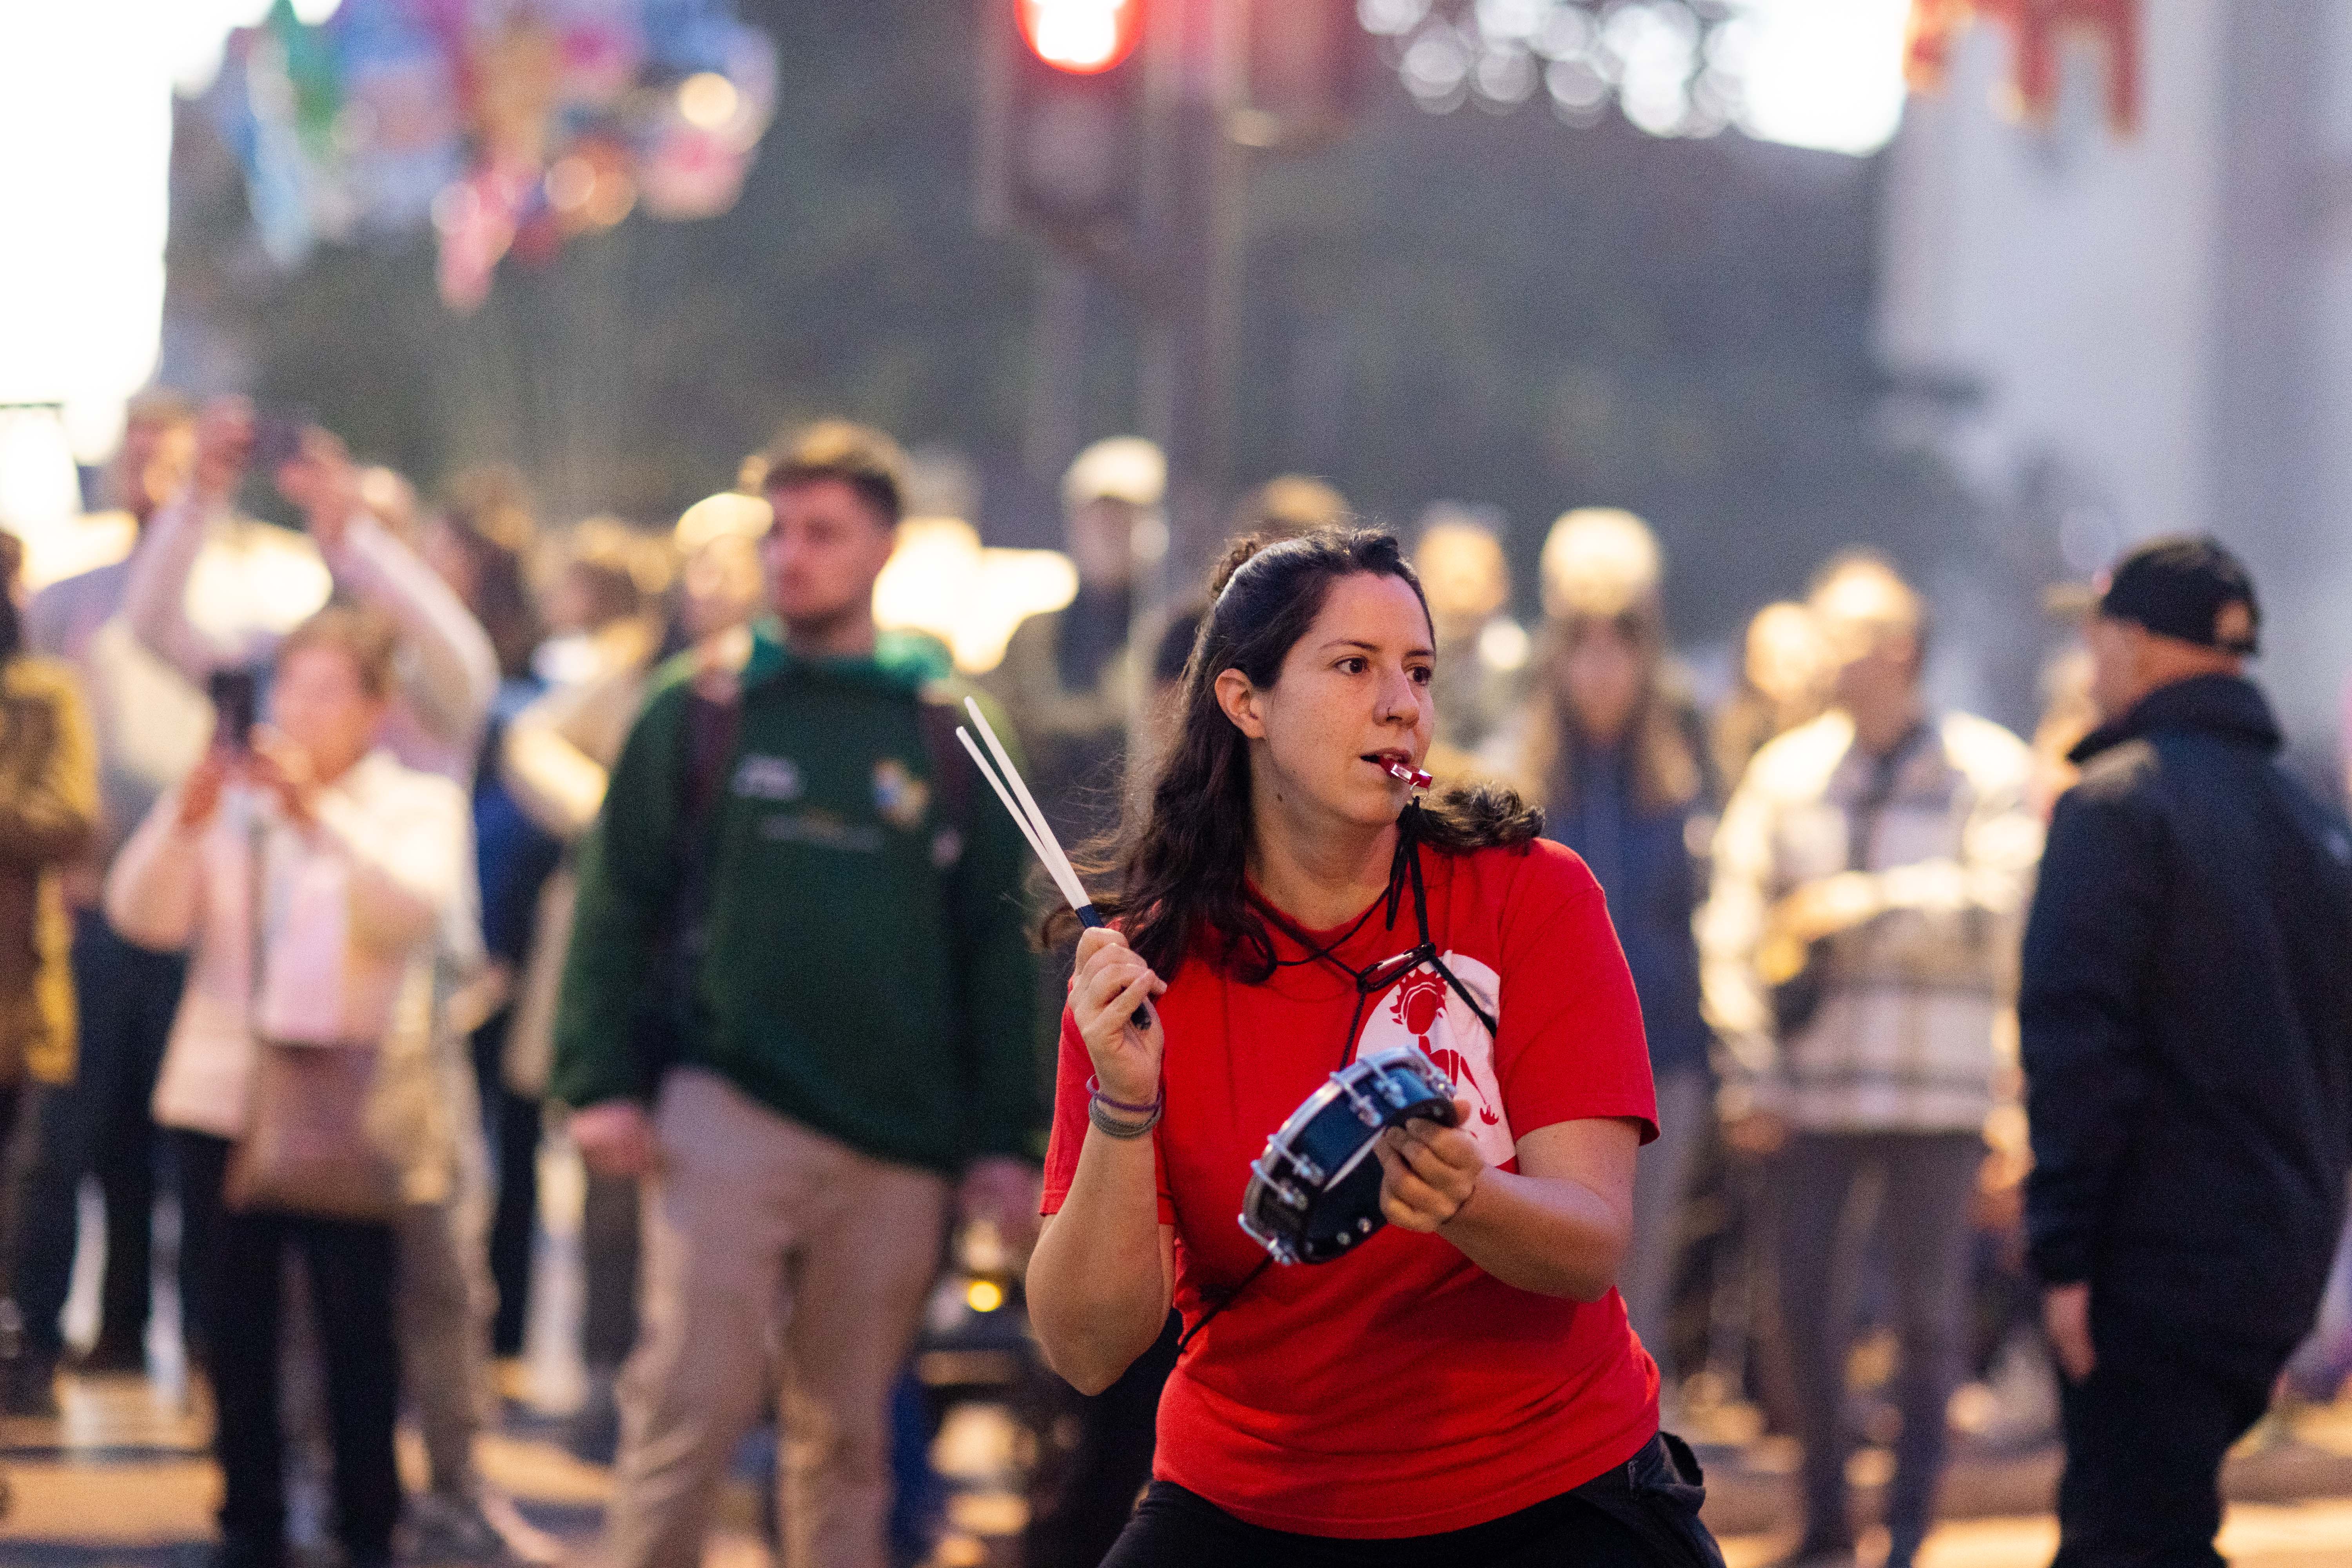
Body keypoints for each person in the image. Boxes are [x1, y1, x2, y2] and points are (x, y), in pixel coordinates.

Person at [1027, 528, 1720, 1566]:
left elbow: (1589, 1246)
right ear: (1244, 702)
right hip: (1257, 1493)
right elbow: (1086, 1348)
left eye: (1421, 672)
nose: (1403, 702)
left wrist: (1466, 1199)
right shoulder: (1145, 969)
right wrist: (1126, 1109)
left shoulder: (1530, 894)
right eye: (1354, 667)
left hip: (1546, 1479)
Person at [550, 421, 1040, 1568]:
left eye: (822, 532)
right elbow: (611, 902)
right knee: (688, 1408)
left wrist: (1003, 1139)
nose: (790, 555)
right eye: (780, 529)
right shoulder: (701, 706)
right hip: (727, 1106)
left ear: (883, 547)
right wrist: (600, 1080)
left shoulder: (948, 722)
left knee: (848, 1438)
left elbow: (997, 947)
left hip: (897, 1140)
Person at [106, 605, 475, 1568]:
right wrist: (185, 821)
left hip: (345, 1101)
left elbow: (410, 910)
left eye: (325, 689)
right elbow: (141, 917)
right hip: (220, 1090)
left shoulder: (414, 798)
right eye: (289, 687)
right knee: (233, 1317)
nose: (301, 710)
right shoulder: (233, 797)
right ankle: (250, 1514)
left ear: (376, 705)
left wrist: (321, 814)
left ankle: (366, 1519)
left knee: (359, 1320)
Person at [1697, 552, 2039, 1568]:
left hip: (1940, 1090)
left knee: (1933, 1323)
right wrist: (1748, 1068)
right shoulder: (1788, 773)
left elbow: (2006, 913)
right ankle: (1826, 1519)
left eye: (1842, 631)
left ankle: (1912, 1527)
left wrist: (1866, 909)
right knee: (1797, 1311)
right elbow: (1733, 928)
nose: (1823, 649)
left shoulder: (1988, 769)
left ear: (1900, 648)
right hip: (1811, 1092)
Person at [2019, 537, 2352, 1568]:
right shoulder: (2312, 817)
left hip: (2147, 1265)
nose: (2088, 655)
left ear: (2138, 643)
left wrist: (2067, 1257)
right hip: (2276, 1257)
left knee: (2127, 1540)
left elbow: (2077, 1046)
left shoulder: (2116, 805)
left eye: (2097, 631)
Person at [6, 389, 217, 1405]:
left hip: (195, 910)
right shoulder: (66, 596)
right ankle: (35, 1342)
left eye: (165, 455)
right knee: (67, 1138)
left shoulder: (222, 596)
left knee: (168, 1143)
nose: (147, 472)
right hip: (87, 904)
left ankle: (154, 1336)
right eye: (135, 453)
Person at [1485, 508, 1709, 1394]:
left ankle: (1634, 1470)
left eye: (1624, 641)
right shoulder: (1518, 767)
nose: (1603, 664)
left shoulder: (1685, 759)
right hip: (1549, 1068)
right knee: (1561, 1281)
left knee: (1644, 1278)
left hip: (1667, 1055)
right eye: (1584, 640)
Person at [0, 532, 99, 1409]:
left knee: (25, 1195)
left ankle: (24, 1360)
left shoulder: (43, 694)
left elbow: (69, 816)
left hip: (15, 992)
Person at [986, 436, 1162, 846]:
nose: (1107, 531)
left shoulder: (1167, 636)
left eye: (1123, 517)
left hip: (1137, 865)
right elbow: (1006, 735)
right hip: (1043, 862)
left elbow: (1141, 748)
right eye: (1096, 516)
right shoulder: (1032, 636)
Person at [1412, 506, 1529, 759]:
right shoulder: (1401, 662)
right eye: (1446, 575)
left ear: (1502, 587)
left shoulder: (1521, 665)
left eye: (1475, 577)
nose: (1461, 597)